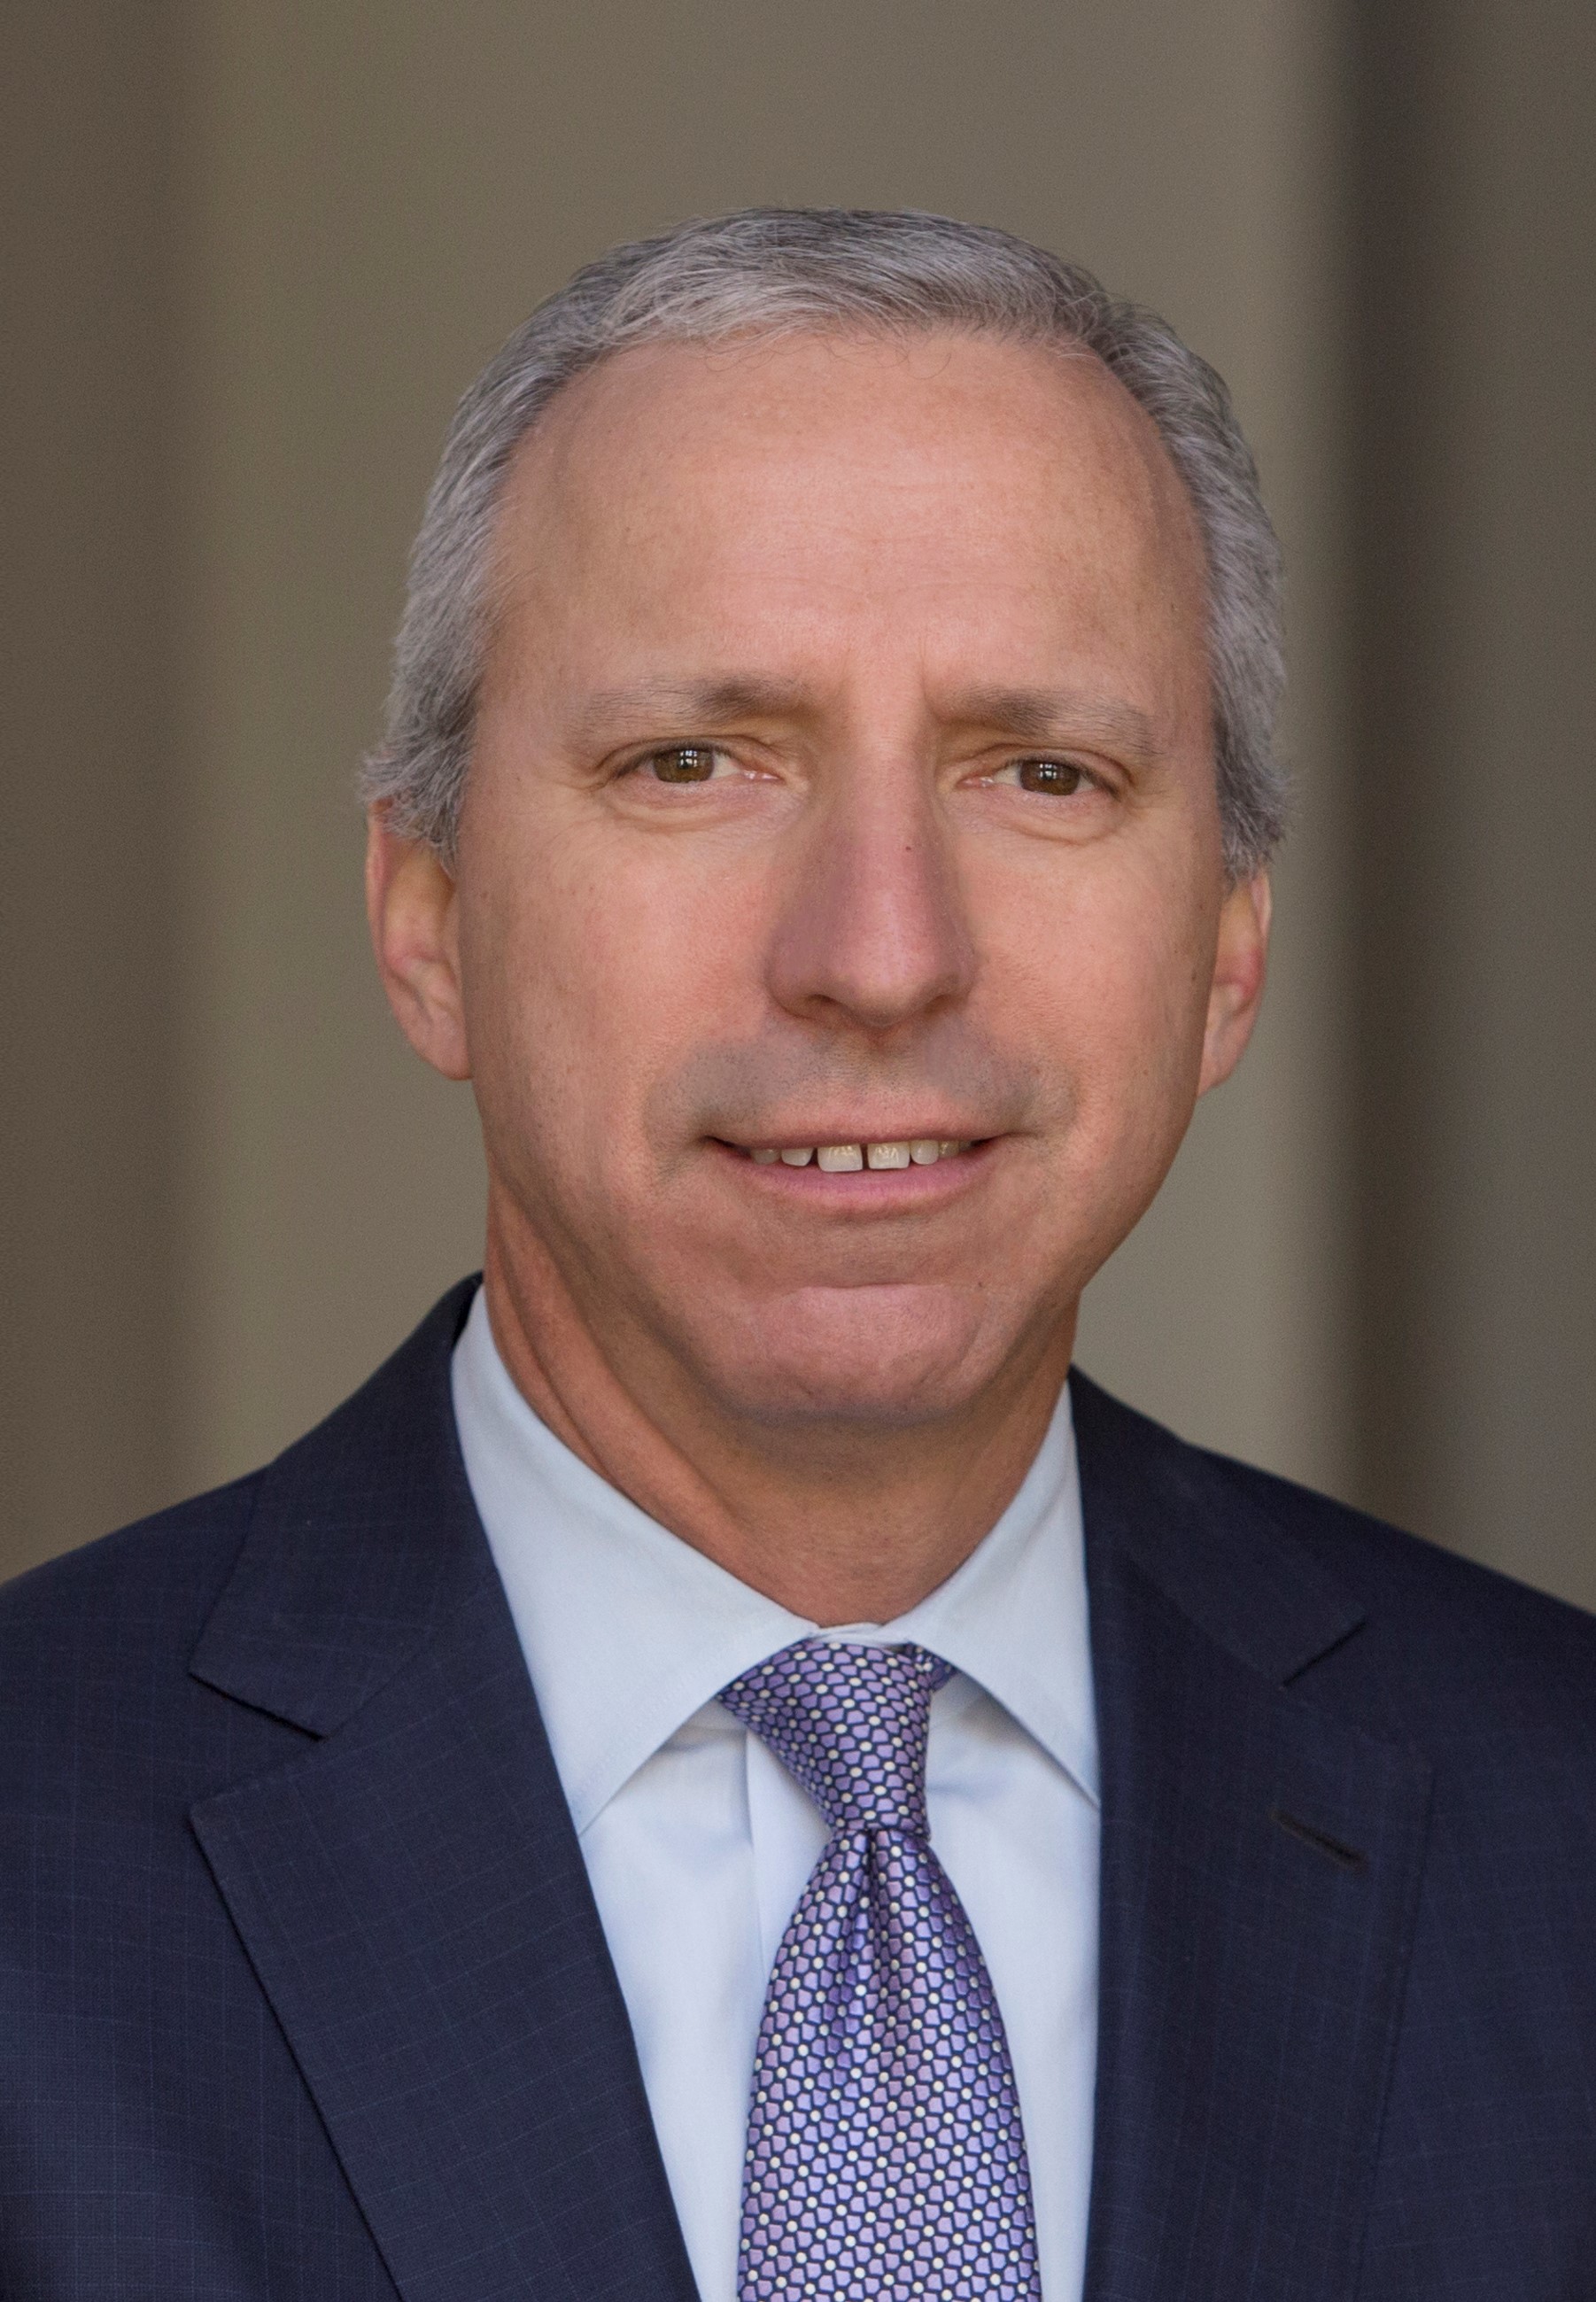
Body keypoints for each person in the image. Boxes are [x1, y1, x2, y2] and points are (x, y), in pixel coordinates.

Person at [3, 207, 1593, 2302]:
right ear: (424, 916)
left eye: (1042, 769)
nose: (878, 952)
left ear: (1225, 951)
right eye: (694, 760)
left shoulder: (1556, 1829)